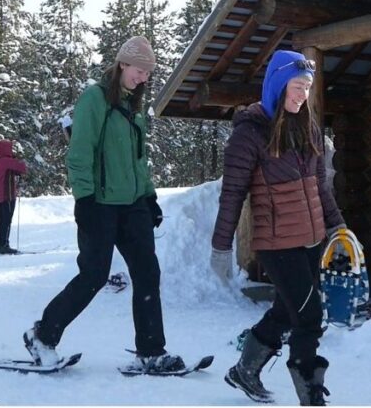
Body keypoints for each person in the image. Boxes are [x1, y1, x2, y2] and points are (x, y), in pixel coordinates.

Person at [22, 36, 184, 374]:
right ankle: (42, 334)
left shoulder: (132, 106)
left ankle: (151, 351)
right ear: (123, 64)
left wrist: (150, 195)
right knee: (94, 275)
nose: (144, 78)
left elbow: (140, 159)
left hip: (134, 204)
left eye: (148, 73)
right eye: (140, 71)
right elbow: (79, 153)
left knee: (147, 273)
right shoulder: (95, 100)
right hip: (101, 205)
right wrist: (84, 198)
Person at [210, 49, 346, 406]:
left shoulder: (309, 128)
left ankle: (244, 370)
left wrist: (338, 228)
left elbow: (320, 186)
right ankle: (311, 394)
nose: (303, 95)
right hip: (276, 243)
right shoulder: (250, 134)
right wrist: (221, 247)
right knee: (309, 315)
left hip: (311, 239)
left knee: (288, 309)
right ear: (278, 84)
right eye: (297, 87)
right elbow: (232, 195)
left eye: (306, 88)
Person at [0, 139, 27, 254]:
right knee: (6, 220)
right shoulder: (7, 161)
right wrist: (17, 159)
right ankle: (4, 245)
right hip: (7, 195)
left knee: (1, 221)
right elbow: (22, 168)